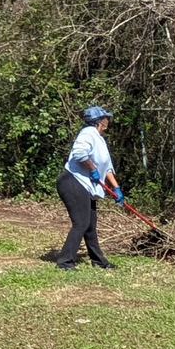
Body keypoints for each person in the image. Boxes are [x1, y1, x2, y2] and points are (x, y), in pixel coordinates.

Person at [56, 106, 119, 270]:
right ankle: (65, 261)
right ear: (99, 121)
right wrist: (92, 169)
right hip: (72, 181)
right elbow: (79, 153)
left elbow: (108, 169)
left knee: (90, 224)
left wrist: (116, 189)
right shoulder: (88, 133)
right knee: (81, 223)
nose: (108, 120)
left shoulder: (100, 139)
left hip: (85, 185)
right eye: (106, 117)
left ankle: (98, 261)